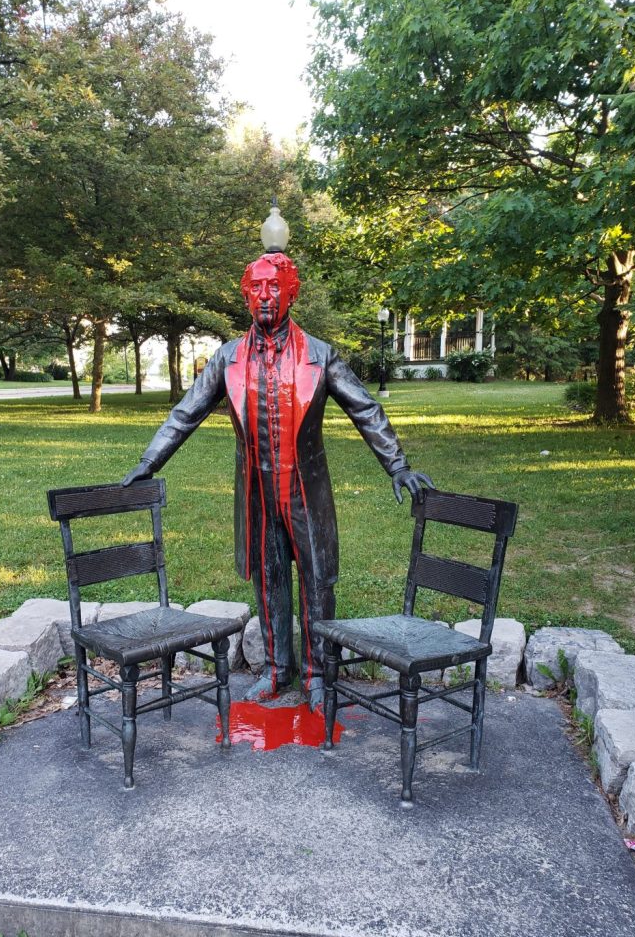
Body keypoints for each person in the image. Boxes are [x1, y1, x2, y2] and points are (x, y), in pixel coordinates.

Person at [122, 251, 434, 710]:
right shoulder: (228, 357)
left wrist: (397, 464)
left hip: (305, 489)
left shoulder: (321, 356)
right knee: (268, 580)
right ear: (246, 295)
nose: (265, 297)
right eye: (256, 289)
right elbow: (185, 413)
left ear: (291, 292)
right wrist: (149, 461)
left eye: (274, 287)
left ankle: (317, 674)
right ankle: (275, 669)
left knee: (316, 579)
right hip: (258, 493)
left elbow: (365, 408)